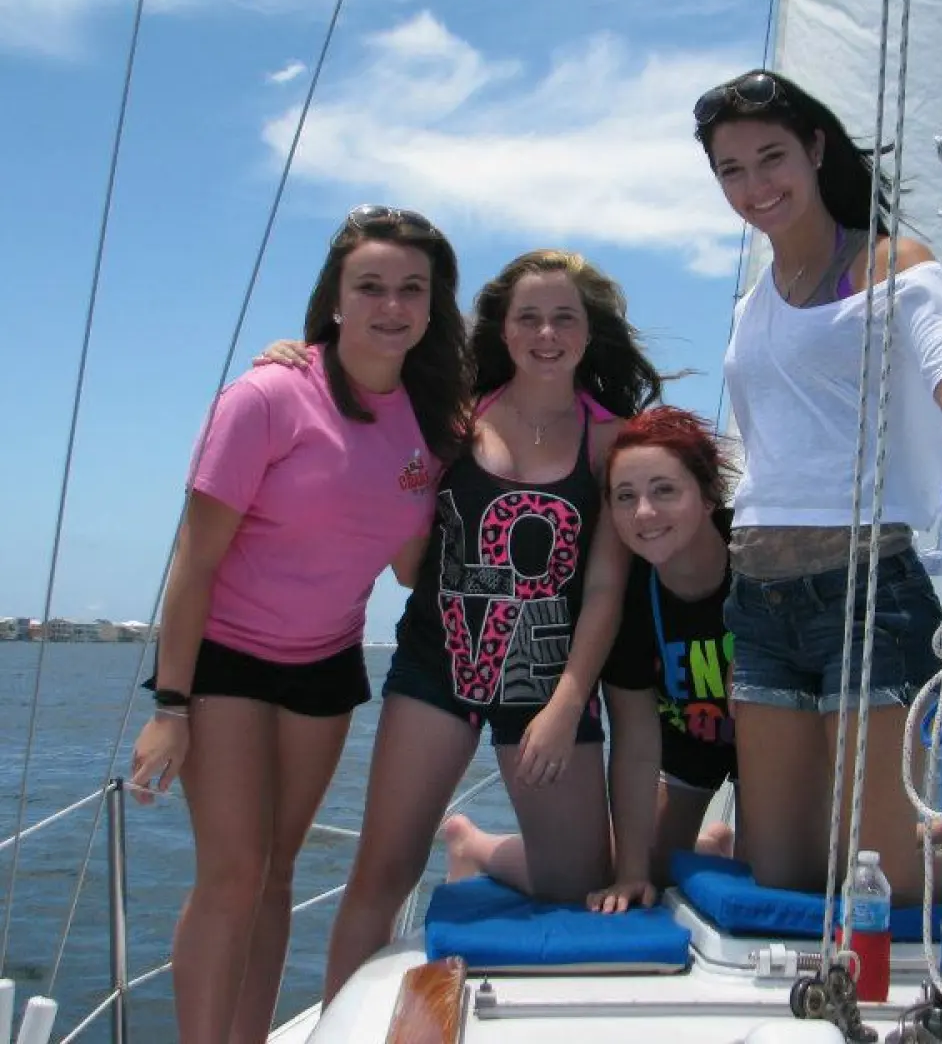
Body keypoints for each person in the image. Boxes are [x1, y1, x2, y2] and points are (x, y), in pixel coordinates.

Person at [693, 69, 942, 905]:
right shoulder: (755, 302)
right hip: (758, 601)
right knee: (781, 873)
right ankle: (928, 836)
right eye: (731, 170)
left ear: (816, 149)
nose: (755, 185)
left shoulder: (895, 267)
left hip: (870, 594)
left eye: (772, 157)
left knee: (884, 883)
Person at [255, 250, 663, 1002]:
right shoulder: (450, 419)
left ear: (588, 331)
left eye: (564, 318)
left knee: (580, 886)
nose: (546, 333)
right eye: (529, 318)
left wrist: (568, 703)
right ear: (502, 330)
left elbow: (606, 587)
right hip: (436, 671)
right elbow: (361, 426)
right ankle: (336, 1021)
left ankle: (478, 847)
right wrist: (301, 362)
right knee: (382, 873)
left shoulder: (610, 442)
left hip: (546, 684)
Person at [129, 206, 471, 1044]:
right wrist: (170, 706)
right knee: (233, 874)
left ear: (432, 306)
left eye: (411, 290)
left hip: (325, 662)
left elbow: (406, 567)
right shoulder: (268, 396)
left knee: (277, 872)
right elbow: (193, 561)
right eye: (370, 286)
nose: (391, 305)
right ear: (334, 300)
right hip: (225, 659)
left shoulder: (432, 424)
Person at [442, 406, 740, 910]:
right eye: (625, 497)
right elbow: (637, 743)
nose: (644, 512)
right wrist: (631, 875)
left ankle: (710, 848)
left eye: (665, 490)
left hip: (764, 740)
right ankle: (475, 846)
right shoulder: (630, 598)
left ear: (708, 495)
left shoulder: (755, 562)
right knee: (619, 872)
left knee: (778, 872)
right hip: (685, 743)